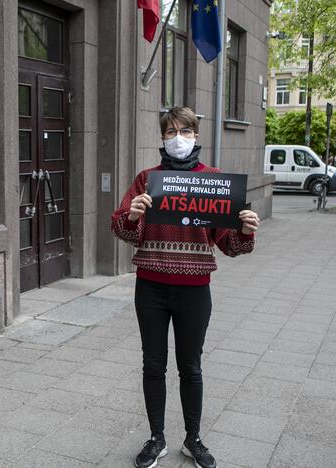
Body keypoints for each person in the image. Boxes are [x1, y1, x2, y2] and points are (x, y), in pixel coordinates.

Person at [111, 107, 259, 468]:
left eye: (186, 131)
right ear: (162, 138)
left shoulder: (213, 181)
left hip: (194, 289)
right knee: (153, 365)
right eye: (171, 132)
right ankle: (156, 438)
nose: (178, 138)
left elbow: (228, 244)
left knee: (190, 367)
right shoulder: (147, 179)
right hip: (151, 287)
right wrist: (132, 215)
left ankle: (193, 438)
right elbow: (121, 227)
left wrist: (244, 230)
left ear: (196, 134)